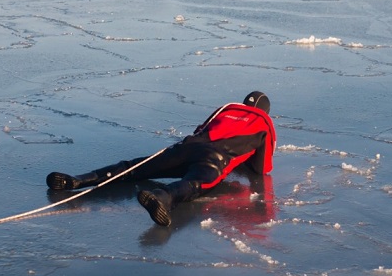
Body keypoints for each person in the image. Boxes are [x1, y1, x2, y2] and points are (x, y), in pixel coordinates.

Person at [46, 91, 276, 227]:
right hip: (214, 160)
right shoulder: (265, 124)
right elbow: (261, 169)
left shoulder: (225, 109)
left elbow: (200, 129)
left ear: (244, 102)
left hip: (187, 147)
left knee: (135, 167)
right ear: (265, 111)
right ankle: (162, 198)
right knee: (195, 184)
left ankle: (78, 180)